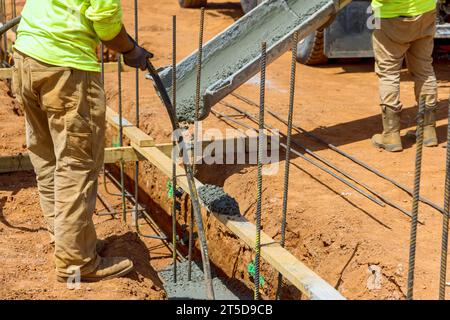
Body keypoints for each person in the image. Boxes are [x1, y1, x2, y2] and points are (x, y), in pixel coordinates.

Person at [12, 0, 153, 283]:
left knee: (49, 158)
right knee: (77, 165)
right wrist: (131, 50)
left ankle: (67, 239)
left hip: (26, 58)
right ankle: (76, 262)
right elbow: (106, 24)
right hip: (65, 69)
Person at [371, 0, 438, 152]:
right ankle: (428, 130)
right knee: (424, 70)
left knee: (389, 72)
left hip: (392, 16)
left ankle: (391, 134)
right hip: (425, 12)